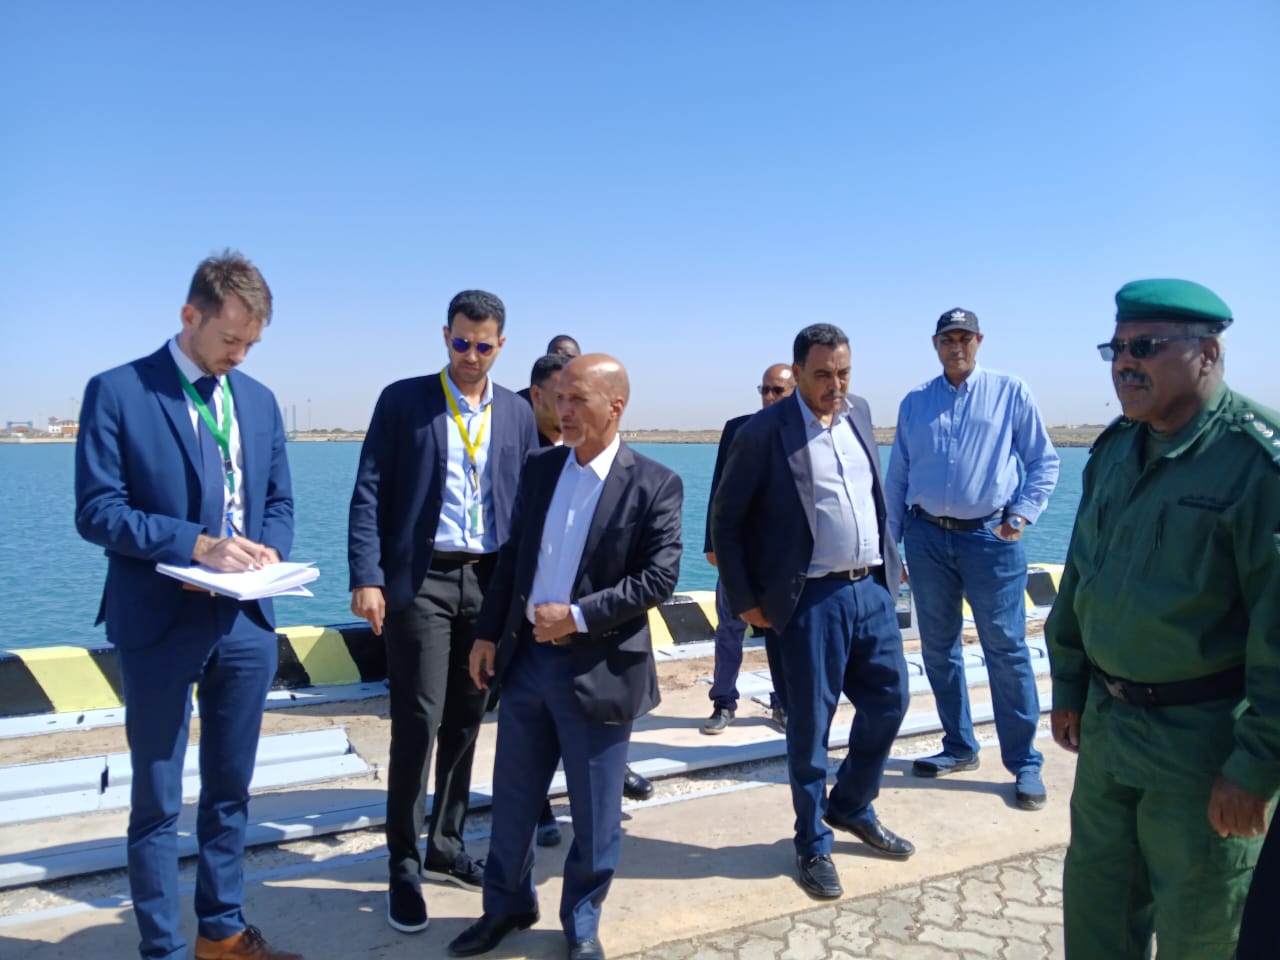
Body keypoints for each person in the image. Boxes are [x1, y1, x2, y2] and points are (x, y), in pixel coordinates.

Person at [74, 251, 300, 960]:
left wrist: (268, 552)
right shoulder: (118, 391)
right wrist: (197, 547)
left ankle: (221, 934)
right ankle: (163, 951)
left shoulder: (258, 400)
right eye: (230, 339)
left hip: (245, 621)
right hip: (160, 619)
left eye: (251, 344)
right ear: (189, 316)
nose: (239, 355)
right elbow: (98, 511)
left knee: (231, 790)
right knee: (158, 799)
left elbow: (278, 500)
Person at [1045, 279, 1280, 958]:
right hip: (1108, 733)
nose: (1125, 362)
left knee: (1199, 933)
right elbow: (1082, 575)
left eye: (1144, 346)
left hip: (1202, 750)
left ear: (1207, 353)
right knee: (1097, 917)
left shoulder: (1257, 465)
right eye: (1116, 348)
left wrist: (1257, 766)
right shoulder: (1117, 449)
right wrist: (1069, 683)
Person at [448, 354, 683, 960]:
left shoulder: (654, 483)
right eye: (560, 398)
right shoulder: (542, 467)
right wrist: (487, 634)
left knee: (596, 812)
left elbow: (658, 579)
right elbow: (514, 558)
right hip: (527, 664)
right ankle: (506, 905)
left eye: (578, 399)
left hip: (599, 670)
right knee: (513, 799)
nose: (563, 410)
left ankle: (581, 921)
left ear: (615, 406)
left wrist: (575, 616)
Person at [347, 290, 538, 934]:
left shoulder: (517, 412)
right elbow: (369, 489)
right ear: (445, 336)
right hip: (421, 580)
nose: (470, 355)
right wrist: (367, 576)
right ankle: (402, 862)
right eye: (461, 342)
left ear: (500, 346)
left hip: (489, 581)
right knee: (418, 719)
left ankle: (447, 845)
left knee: (467, 717)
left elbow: (528, 501)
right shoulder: (404, 401)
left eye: (483, 346)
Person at [711, 323, 913, 901]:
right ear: (798, 372)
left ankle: (850, 803)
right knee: (810, 727)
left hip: (870, 589)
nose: (836, 385)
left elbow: (873, 495)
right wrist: (748, 601)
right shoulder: (763, 432)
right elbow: (726, 520)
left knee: (891, 701)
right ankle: (812, 842)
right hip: (809, 600)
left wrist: (890, 568)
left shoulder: (859, 412)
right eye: (823, 374)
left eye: (843, 373)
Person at [885, 308, 1059, 810]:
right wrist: (892, 545)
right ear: (935, 344)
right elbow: (898, 476)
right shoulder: (916, 401)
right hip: (926, 537)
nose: (956, 346)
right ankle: (959, 746)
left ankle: (1024, 762)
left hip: (990, 538)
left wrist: (1020, 516)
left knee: (1005, 649)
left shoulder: (1010, 391)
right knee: (938, 649)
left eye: (964, 337)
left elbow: (1043, 461)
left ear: (979, 341)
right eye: (947, 339)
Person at [702, 362, 795, 735]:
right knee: (729, 628)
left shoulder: (804, 432)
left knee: (781, 631)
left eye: (778, 391)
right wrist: (711, 543)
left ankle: (784, 702)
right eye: (765, 390)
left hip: (780, 557)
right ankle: (723, 702)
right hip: (738, 552)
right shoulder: (737, 429)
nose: (769, 397)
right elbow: (718, 489)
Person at [516, 335, 581, 404]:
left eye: (569, 358)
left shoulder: (586, 399)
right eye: (556, 358)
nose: (563, 363)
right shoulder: (519, 403)